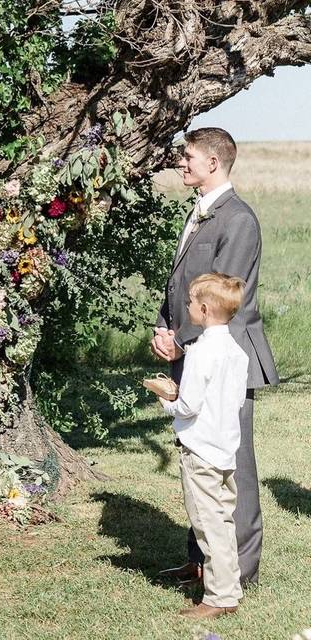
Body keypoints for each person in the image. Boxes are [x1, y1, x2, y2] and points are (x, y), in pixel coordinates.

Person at [152, 128, 278, 587]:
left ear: (212, 162)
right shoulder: (201, 212)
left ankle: (238, 572)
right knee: (197, 455)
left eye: (187, 157)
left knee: (233, 464)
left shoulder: (238, 219)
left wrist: (180, 341)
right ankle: (201, 560)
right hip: (191, 349)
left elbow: (225, 298)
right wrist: (162, 328)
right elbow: (182, 284)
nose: (181, 164)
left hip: (227, 359)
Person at [158, 273, 249, 620]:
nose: (188, 307)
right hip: (225, 450)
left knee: (207, 526)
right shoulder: (237, 352)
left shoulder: (200, 352)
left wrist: (167, 402)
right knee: (223, 522)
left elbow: (189, 405)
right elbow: (235, 400)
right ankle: (230, 587)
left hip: (200, 452)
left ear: (206, 309)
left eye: (192, 302)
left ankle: (218, 596)